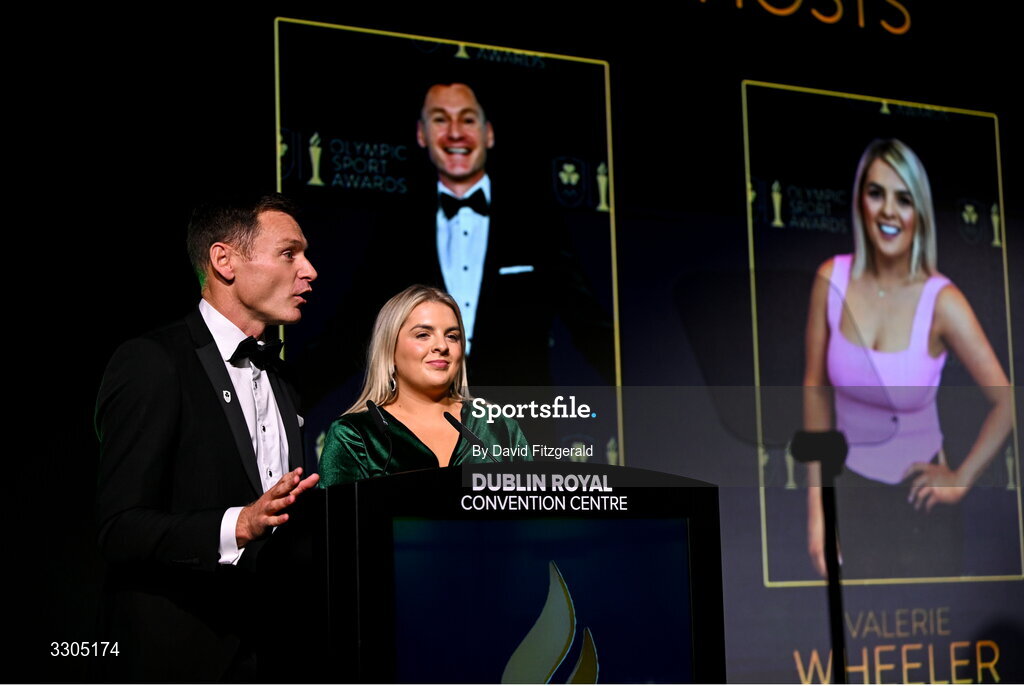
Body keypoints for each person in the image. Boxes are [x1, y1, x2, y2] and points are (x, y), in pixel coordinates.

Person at [94, 193, 319, 680]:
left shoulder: (284, 378)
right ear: (224, 261)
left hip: (275, 656)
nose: (310, 271)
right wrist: (238, 525)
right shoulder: (153, 362)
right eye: (289, 253)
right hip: (178, 661)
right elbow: (119, 529)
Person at [296, 81, 613, 405]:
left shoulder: (535, 221)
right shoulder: (398, 229)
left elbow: (588, 324)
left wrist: (642, 400)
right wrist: (284, 398)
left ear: (489, 133)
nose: (455, 132)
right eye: (440, 119)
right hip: (425, 421)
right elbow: (351, 331)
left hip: (519, 422)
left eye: (467, 119)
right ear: (422, 134)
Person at [803, 139, 1011, 579]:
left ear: (920, 212)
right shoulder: (830, 279)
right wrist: (818, 511)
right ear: (860, 200)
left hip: (922, 510)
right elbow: (815, 392)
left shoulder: (942, 300)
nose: (888, 212)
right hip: (850, 496)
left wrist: (959, 480)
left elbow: (1008, 402)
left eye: (904, 199)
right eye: (876, 193)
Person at [318, 285, 529, 486]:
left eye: (452, 336)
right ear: (389, 349)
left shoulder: (497, 426)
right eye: (423, 335)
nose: (442, 346)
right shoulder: (354, 435)